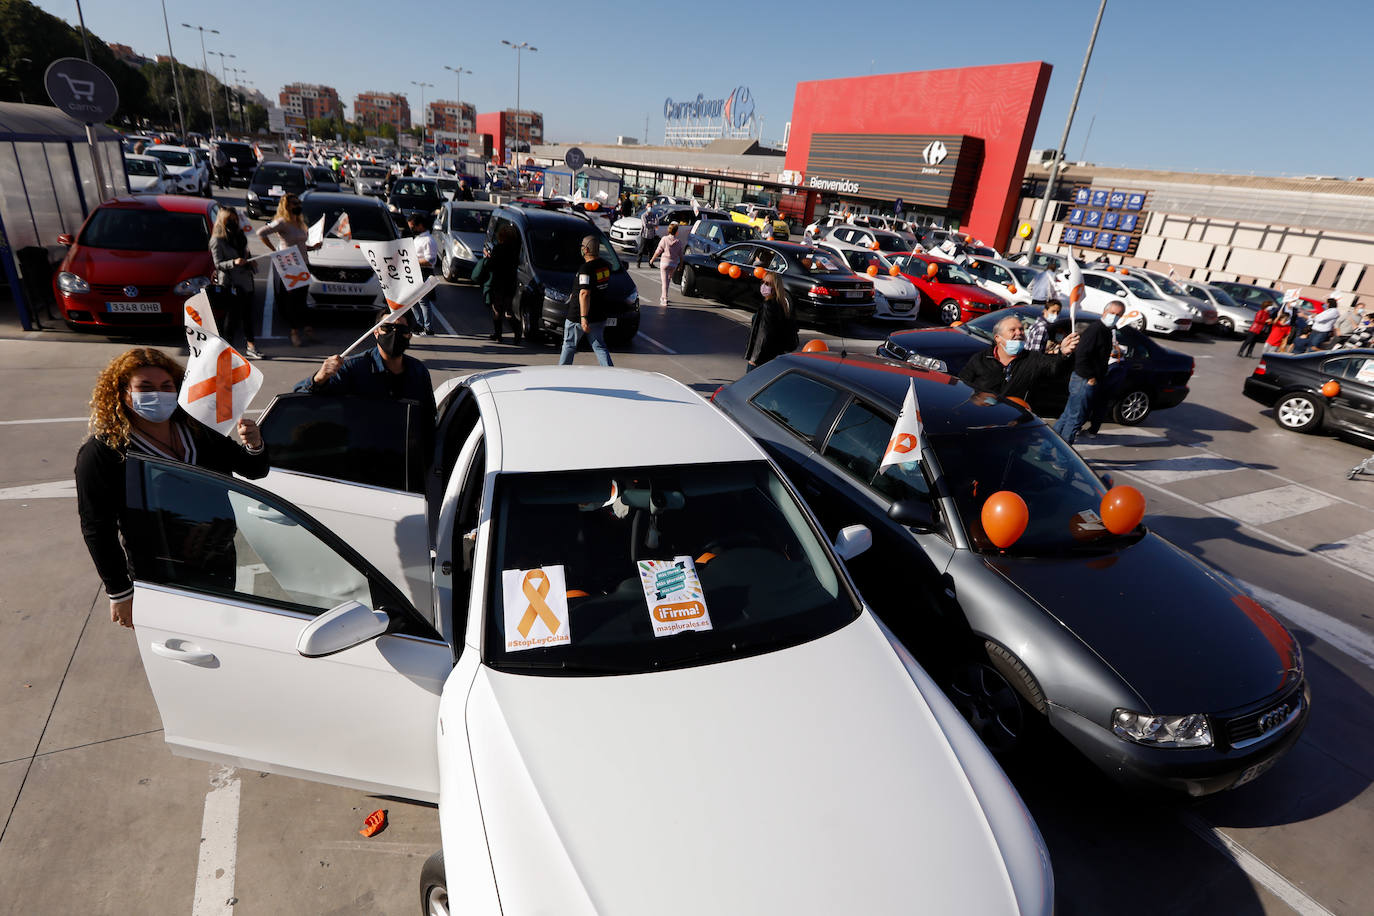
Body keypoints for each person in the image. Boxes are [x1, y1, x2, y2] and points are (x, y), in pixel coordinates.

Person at [75, 348, 268, 628]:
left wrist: (254, 444)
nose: (158, 394)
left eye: (166, 386)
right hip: (160, 571)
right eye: (145, 387)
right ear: (122, 393)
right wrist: (119, 591)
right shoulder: (103, 452)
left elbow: (254, 469)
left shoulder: (197, 431)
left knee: (220, 636)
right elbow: (97, 528)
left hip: (218, 558)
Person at [297, 310, 436, 425]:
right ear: (376, 333)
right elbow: (300, 399)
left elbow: (429, 416)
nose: (394, 334)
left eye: (401, 329)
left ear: (409, 335)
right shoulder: (353, 368)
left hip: (404, 452)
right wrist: (320, 377)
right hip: (362, 449)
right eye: (387, 328)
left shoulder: (418, 371)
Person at [958, 314, 1079, 403]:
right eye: (1013, 330)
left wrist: (1063, 353)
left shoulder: (1032, 358)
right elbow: (961, 387)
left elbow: (1054, 367)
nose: (1019, 333)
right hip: (980, 416)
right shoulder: (980, 359)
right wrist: (977, 399)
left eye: (1021, 329)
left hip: (1013, 422)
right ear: (998, 338)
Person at [1052, 300, 1125, 445]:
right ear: (1104, 312)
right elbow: (1082, 355)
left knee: (1068, 416)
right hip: (1083, 381)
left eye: (1118, 315)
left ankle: (1046, 450)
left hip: (1084, 379)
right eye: (1112, 313)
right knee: (1075, 419)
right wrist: (1091, 378)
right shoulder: (1096, 329)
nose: (1114, 317)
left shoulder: (1106, 330)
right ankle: (1063, 460)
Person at [256, 193, 320, 347]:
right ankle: (294, 332)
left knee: (302, 300)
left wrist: (312, 247)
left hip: (303, 263)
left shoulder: (299, 222)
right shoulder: (282, 222)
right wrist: (274, 250)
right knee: (291, 301)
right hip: (290, 264)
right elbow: (261, 233)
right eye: (294, 203)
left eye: (298, 202)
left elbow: (301, 244)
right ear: (286, 206)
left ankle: (307, 328)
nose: (298, 205)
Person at [209, 207, 261, 359]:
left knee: (247, 316)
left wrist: (250, 261)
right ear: (223, 220)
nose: (234, 222)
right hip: (231, 283)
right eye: (230, 219)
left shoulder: (240, 235)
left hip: (246, 280)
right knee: (231, 318)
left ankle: (251, 347)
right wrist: (234, 262)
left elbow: (245, 252)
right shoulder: (217, 240)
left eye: (235, 218)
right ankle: (226, 350)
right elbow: (218, 264)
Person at [559, 235, 614, 366]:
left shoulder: (586, 269)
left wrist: (583, 318)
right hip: (598, 315)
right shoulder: (606, 266)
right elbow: (595, 286)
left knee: (569, 346)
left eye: (582, 247)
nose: (581, 249)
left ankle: (561, 373)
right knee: (599, 347)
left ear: (586, 250)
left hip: (578, 316)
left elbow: (584, 293)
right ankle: (610, 373)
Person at [471, 223, 521, 342]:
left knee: (497, 310)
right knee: (508, 310)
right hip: (511, 283)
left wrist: (488, 258)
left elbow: (492, 265)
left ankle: (498, 335)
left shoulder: (499, 248)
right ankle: (517, 333)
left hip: (499, 283)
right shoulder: (515, 250)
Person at [745, 271, 797, 372]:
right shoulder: (782, 305)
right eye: (763, 282)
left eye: (768, 284)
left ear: (775, 287)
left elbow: (763, 333)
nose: (764, 286)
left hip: (760, 358)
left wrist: (754, 358)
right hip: (774, 356)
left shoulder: (768, 306)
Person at [409, 214, 437, 336]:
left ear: (420, 226)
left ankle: (428, 327)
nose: (411, 229)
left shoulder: (428, 240)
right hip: (415, 272)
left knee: (423, 301)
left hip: (424, 273)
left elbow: (430, 260)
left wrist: (413, 261)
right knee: (412, 300)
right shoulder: (418, 239)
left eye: (413, 226)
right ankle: (419, 324)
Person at [650, 222, 686, 307]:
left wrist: (652, 259)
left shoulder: (664, 239)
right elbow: (681, 255)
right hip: (673, 264)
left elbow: (658, 251)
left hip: (664, 263)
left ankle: (664, 298)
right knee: (668, 281)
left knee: (664, 282)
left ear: (668, 230)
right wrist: (680, 265)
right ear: (676, 232)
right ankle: (664, 296)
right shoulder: (678, 242)